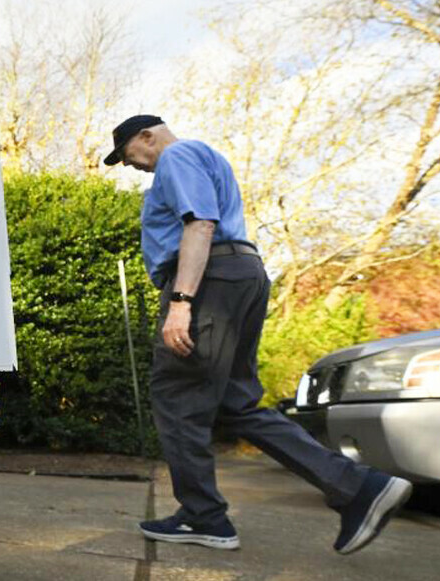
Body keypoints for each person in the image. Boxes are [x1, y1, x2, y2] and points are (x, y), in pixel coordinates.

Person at [104, 114, 412, 554]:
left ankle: (202, 517)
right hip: (239, 274)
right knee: (236, 403)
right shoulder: (207, 157)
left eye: (130, 158)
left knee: (178, 398)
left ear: (146, 136)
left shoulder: (176, 156)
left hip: (207, 280)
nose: (135, 167)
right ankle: (357, 489)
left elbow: (200, 224)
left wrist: (181, 303)